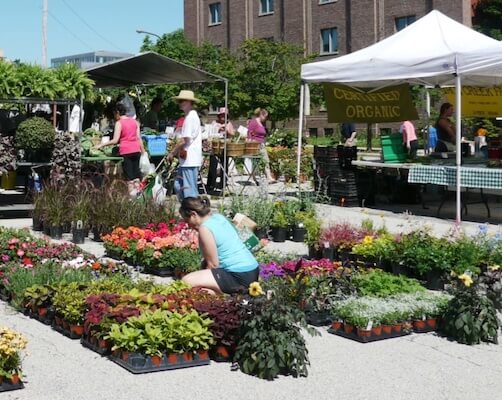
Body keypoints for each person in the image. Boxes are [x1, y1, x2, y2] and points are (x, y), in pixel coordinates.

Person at [180, 196, 259, 294]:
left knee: (187, 281)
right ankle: (226, 294)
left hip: (238, 275)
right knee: (204, 284)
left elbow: (213, 265)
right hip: (253, 269)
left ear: (193, 214)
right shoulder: (218, 217)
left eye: (187, 220)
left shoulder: (204, 229)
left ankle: (228, 296)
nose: (188, 225)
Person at [94, 102, 145, 195]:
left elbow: (115, 140)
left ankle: (131, 198)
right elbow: (138, 138)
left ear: (117, 112)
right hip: (136, 150)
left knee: (129, 177)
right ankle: (138, 196)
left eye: (114, 114)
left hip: (126, 151)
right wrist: (144, 151)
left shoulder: (119, 123)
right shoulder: (135, 122)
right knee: (136, 176)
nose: (114, 116)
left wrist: (101, 145)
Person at [168, 90, 202, 200]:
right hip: (187, 159)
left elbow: (184, 140)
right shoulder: (190, 116)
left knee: (188, 190)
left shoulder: (190, 117)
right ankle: (187, 210)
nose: (180, 103)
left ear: (189, 102)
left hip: (190, 159)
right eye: (179, 101)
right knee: (179, 186)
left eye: (182, 101)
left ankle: (193, 212)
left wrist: (172, 152)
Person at [207, 108, 235, 191]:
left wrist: (226, 131)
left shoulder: (229, 124)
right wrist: (218, 130)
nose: (223, 117)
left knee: (224, 165)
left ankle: (223, 184)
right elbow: (210, 133)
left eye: (224, 116)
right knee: (213, 165)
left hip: (225, 147)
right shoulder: (214, 123)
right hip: (215, 147)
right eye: (221, 115)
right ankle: (211, 184)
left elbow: (233, 134)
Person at [247, 108, 275, 183]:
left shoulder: (262, 123)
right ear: (261, 115)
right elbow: (249, 132)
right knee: (256, 161)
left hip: (262, 144)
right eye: (265, 116)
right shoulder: (253, 122)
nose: (266, 118)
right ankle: (253, 177)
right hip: (255, 144)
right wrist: (250, 141)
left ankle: (268, 177)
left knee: (265, 160)